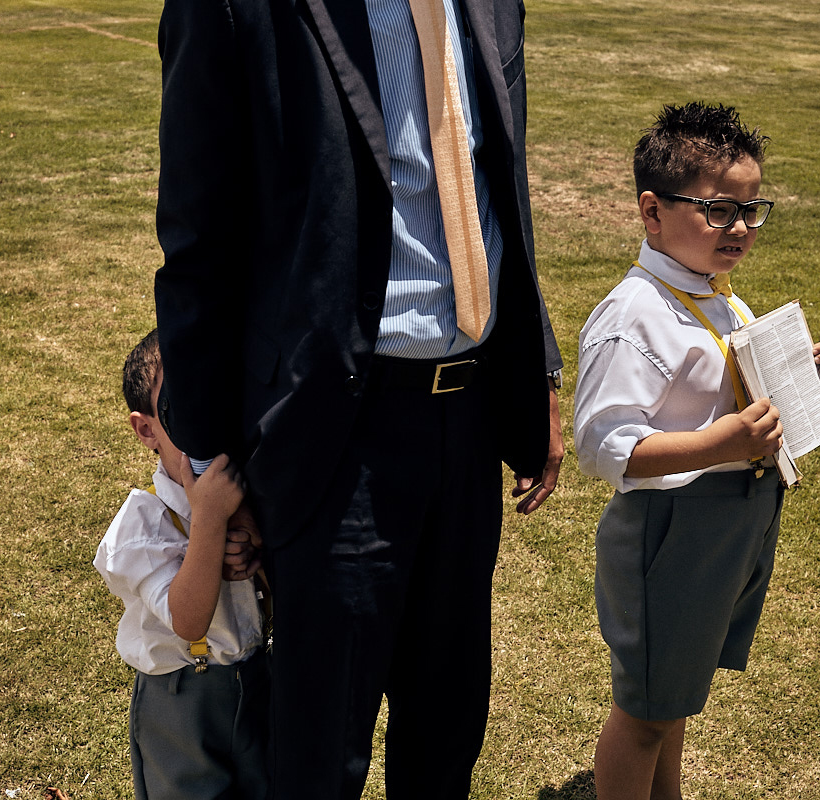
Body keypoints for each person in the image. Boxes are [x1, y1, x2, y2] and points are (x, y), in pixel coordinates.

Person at [151, 0, 565, 795]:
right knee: (322, 745)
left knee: (448, 726)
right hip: (337, 431)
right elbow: (195, 239)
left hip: (469, 415)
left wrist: (536, 368)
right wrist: (206, 459)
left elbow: (496, 182)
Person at [572, 102, 820, 800]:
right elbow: (604, 446)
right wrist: (720, 442)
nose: (741, 229)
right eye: (718, 210)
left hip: (729, 523)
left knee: (675, 696)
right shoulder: (635, 315)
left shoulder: (718, 297)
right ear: (653, 211)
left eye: (752, 210)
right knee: (643, 713)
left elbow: (725, 379)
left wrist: (798, 376)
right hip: (671, 532)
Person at [93, 330, 269, 800]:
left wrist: (257, 549)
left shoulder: (254, 496)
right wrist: (209, 518)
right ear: (148, 429)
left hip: (257, 684)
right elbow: (188, 619)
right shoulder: (141, 525)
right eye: (180, 406)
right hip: (182, 703)